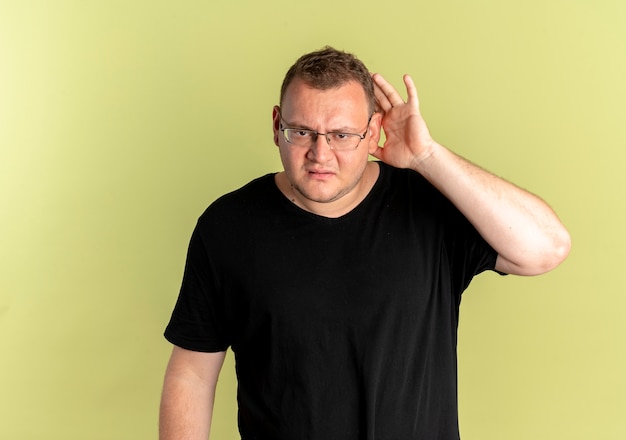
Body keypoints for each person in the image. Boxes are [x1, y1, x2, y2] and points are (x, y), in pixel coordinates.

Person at [159, 46, 570, 440]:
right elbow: (192, 372)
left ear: (373, 131)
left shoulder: (428, 206)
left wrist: (427, 156)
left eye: (341, 135)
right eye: (302, 132)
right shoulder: (228, 226)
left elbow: (546, 248)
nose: (320, 154)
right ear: (275, 126)